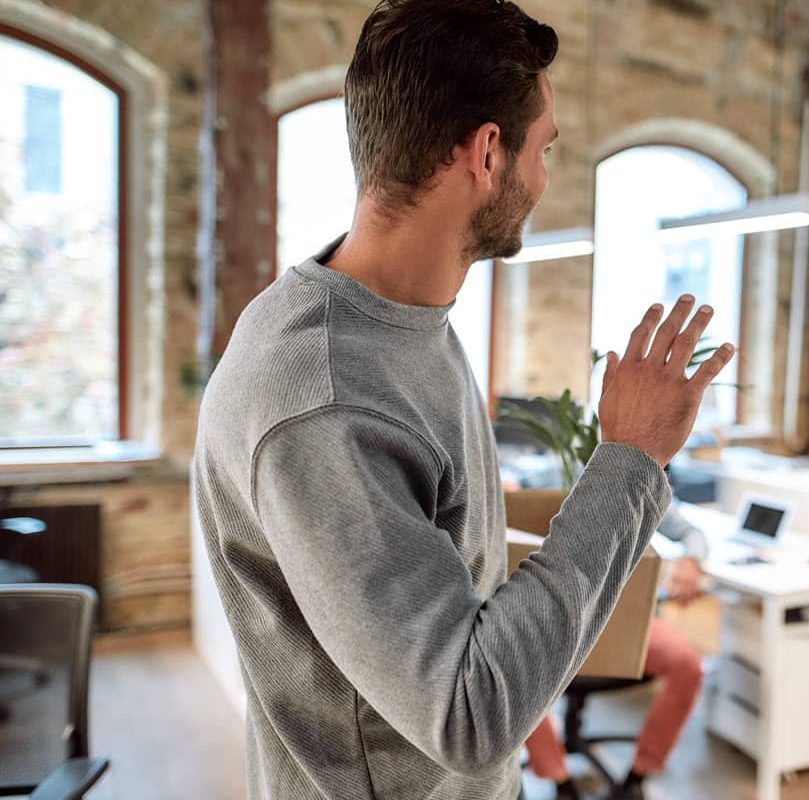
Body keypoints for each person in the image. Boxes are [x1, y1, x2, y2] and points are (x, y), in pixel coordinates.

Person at [192, 2, 737, 799]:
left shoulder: (403, 318)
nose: (544, 178)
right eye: (544, 150)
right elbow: (468, 714)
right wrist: (632, 459)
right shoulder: (327, 399)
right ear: (488, 152)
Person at [525, 503, 708, 800]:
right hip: (557, 621)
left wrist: (691, 560)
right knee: (513, 669)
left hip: (623, 618)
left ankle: (638, 775)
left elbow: (692, 533)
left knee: (687, 665)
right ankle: (559, 780)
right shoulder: (545, 480)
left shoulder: (641, 486)